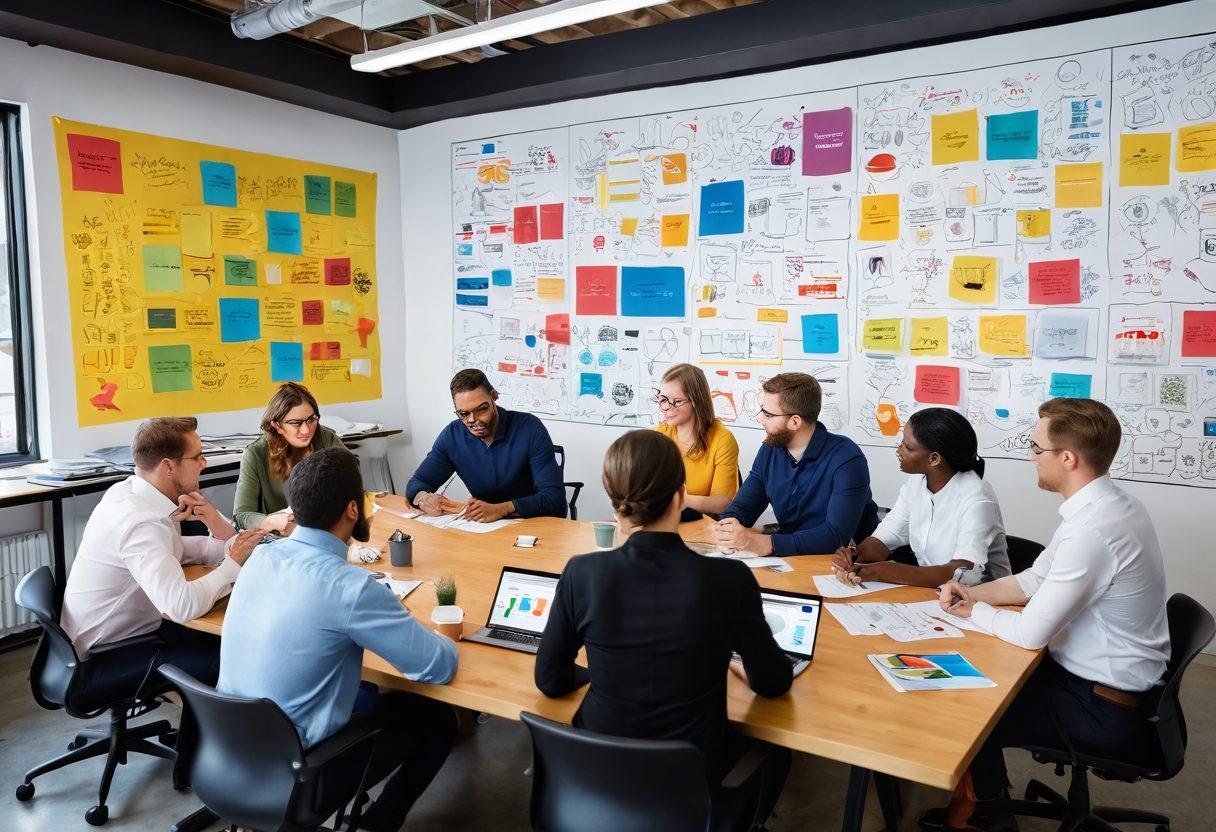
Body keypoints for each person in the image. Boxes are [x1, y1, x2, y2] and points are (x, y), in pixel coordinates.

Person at [925, 398, 1170, 831]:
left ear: (1068, 458)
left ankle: (984, 815)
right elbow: (1033, 581)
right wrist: (971, 591)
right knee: (981, 674)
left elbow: (1030, 633)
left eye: (1037, 448)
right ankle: (989, 801)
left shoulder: (1092, 530)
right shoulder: (1105, 506)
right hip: (1097, 680)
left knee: (967, 708)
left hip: (1101, 706)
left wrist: (972, 610)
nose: (1030, 457)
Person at [535, 430, 792, 825]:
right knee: (779, 751)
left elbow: (549, 680)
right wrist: (741, 668)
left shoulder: (581, 572)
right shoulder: (728, 579)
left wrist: (601, 674)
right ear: (679, 496)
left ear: (614, 500)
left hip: (594, 780)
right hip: (690, 781)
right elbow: (773, 683)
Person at [219, 448, 459, 832]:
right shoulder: (350, 588)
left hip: (228, 752)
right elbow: (436, 666)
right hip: (297, 773)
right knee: (437, 717)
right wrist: (448, 632)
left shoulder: (259, 558)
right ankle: (375, 824)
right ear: (353, 510)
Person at [60, 417, 264, 705]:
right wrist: (232, 565)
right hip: (106, 655)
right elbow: (182, 605)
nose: (204, 463)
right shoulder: (142, 522)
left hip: (115, 636)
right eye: (197, 457)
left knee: (219, 638)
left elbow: (175, 548)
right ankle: (208, 744)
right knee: (233, 659)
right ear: (168, 466)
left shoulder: (128, 493)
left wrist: (226, 548)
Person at [831, 407, 1010, 588]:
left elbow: (963, 572)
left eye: (908, 447)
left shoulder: (977, 499)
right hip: (936, 595)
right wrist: (853, 554)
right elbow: (885, 538)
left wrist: (881, 571)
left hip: (983, 600)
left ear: (934, 459)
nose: (899, 451)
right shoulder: (914, 485)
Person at [713, 373, 879, 557]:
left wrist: (767, 543)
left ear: (794, 422)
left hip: (848, 563)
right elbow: (743, 507)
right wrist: (729, 529)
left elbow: (834, 536)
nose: (760, 419)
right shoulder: (770, 450)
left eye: (768, 414)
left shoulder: (847, 459)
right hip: (791, 558)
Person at [406, 369, 566, 521]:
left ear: (494, 397)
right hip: (484, 529)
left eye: (482, 409)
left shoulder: (529, 428)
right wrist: (424, 498)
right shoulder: (453, 436)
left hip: (532, 524)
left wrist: (503, 509)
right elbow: (417, 483)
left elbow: (555, 499)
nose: (472, 420)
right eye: (463, 414)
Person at [233, 382, 346, 532]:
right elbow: (241, 515)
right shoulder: (255, 454)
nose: (306, 430)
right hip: (280, 539)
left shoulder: (326, 438)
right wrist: (269, 522)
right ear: (277, 426)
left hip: (326, 530)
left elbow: (351, 482)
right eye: (296, 423)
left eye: (311, 419)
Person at [653, 363, 740, 518]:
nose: (667, 408)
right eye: (664, 399)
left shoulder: (722, 440)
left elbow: (722, 503)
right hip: (665, 521)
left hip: (702, 527)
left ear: (696, 401)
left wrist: (679, 500)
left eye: (677, 401)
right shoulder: (657, 436)